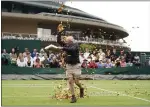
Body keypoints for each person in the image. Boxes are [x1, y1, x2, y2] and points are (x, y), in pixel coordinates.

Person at [45, 34, 84, 103]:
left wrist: (62, 48)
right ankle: (73, 97)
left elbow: (72, 50)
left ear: (70, 41)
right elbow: (58, 40)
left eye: (66, 40)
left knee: (76, 82)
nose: (65, 41)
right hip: (68, 66)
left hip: (76, 66)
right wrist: (59, 32)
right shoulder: (66, 45)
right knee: (70, 81)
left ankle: (81, 88)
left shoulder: (75, 45)